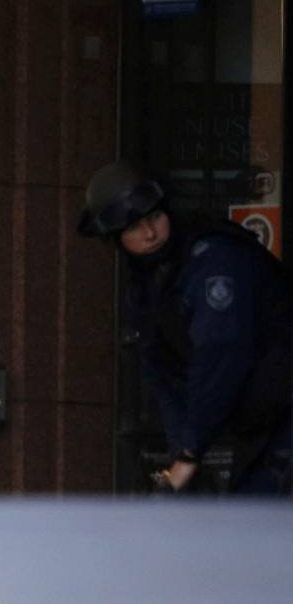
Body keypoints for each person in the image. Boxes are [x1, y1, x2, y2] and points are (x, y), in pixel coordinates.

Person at [77, 161, 291, 495]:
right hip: (261, 421)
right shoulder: (149, 284)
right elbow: (163, 376)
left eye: (154, 218)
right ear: (117, 239)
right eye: (134, 227)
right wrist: (183, 455)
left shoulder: (215, 259)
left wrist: (189, 455)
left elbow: (220, 354)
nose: (149, 233)